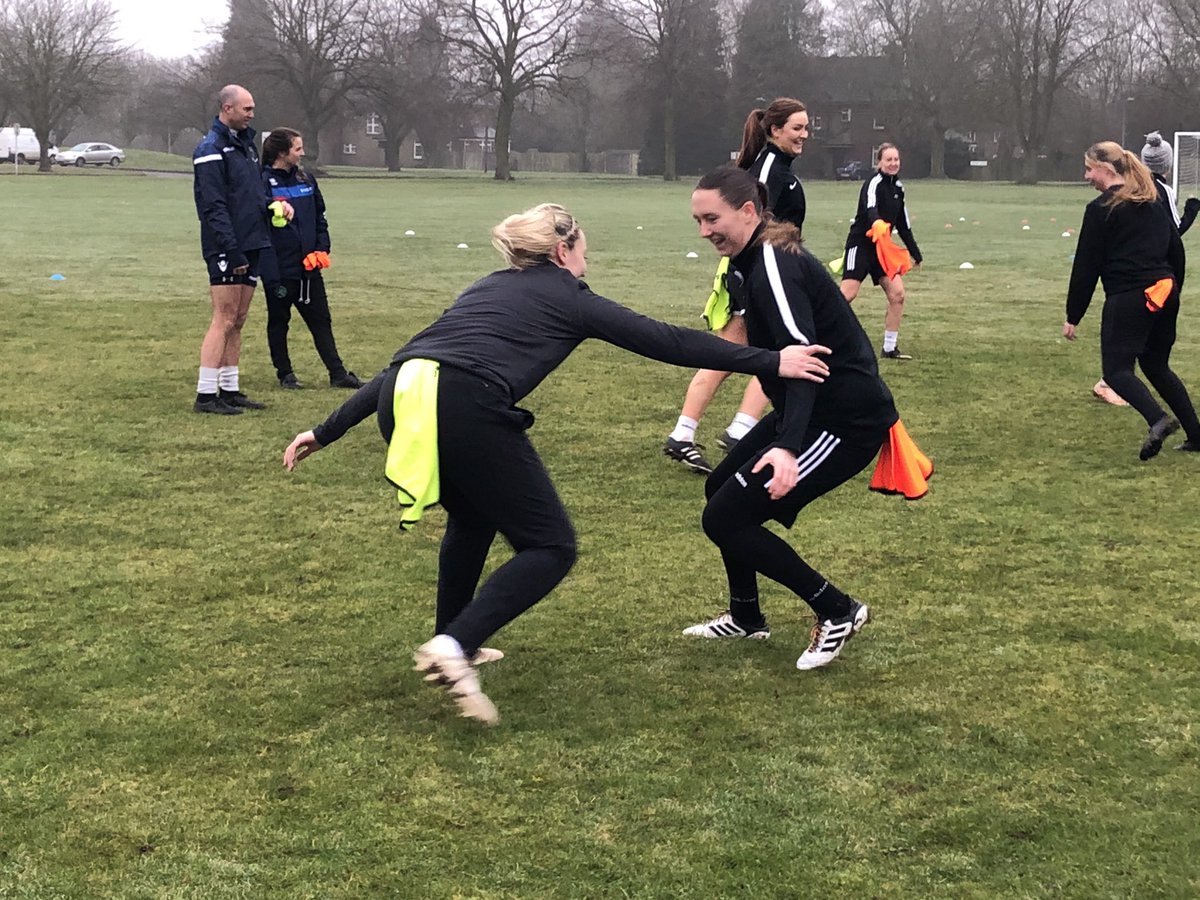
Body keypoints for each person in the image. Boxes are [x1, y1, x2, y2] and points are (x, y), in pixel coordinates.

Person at [282, 203, 833, 724]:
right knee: (551, 546)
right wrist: (771, 359)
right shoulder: (570, 295)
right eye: (583, 244)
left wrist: (324, 431)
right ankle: (451, 645)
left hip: (402, 398)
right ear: (563, 248)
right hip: (465, 404)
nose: (586, 255)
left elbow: (404, 361)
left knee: (473, 518)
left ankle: (457, 637)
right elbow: (666, 340)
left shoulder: (488, 286)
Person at [683, 165, 927, 671]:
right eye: (698, 221)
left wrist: (789, 446)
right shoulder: (749, 260)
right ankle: (747, 617)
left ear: (748, 212)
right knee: (720, 491)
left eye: (713, 219)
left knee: (726, 517)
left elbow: (804, 357)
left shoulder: (771, 261)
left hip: (843, 421)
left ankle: (837, 609)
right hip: (810, 410)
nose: (705, 232)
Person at [663, 98, 809, 473]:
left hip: (768, 275)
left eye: (807, 127)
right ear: (775, 130)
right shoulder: (771, 170)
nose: (804, 134)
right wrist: (756, 279)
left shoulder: (777, 167)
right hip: (759, 278)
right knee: (762, 355)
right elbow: (753, 227)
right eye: (797, 127)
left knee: (753, 355)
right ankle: (712, 432)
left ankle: (724, 430)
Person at [1063, 141, 1200, 457]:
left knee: (1116, 371)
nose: (1086, 176)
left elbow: (1086, 265)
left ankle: (1158, 420)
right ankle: (1196, 434)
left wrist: (1073, 315)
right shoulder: (1151, 202)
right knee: (1156, 364)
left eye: (1089, 169)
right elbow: (1174, 249)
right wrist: (1173, 287)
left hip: (1131, 295)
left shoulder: (1100, 210)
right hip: (1165, 289)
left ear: (1106, 169)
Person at [192, 84, 291, 415]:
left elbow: (250, 197)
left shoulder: (247, 149)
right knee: (223, 317)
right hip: (227, 246)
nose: (252, 114)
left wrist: (274, 206)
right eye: (246, 108)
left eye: (252, 108)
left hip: (252, 242)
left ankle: (230, 388)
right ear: (227, 108)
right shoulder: (210, 149)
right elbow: (213, 205)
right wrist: (230, 249)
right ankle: (206, 395)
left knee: (239, 319)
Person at [260, 128, 363, 391]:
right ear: (283, 153)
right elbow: (258, 222)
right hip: (281, 269)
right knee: (279, 320)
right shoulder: (262, 182)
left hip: (309, 268)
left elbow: (320, 217)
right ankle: (285, 374)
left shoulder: (306, 179)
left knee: (321, 320)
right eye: (297, 148)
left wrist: (321, 248)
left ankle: (338, 374)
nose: (302, 153)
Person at [839, 143, 923, 360]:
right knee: (847, 294)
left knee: (898, 295)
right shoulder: (873, 183)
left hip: (882, 249)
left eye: (896, 159)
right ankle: (812, 334)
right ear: (879, 162)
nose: (893, 163)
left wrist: (915, 252)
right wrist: (877, 223)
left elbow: (903, 224)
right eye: (889, 160)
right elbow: (871, 208)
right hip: (861, 245)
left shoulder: (899, 189)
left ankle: (889, 348)